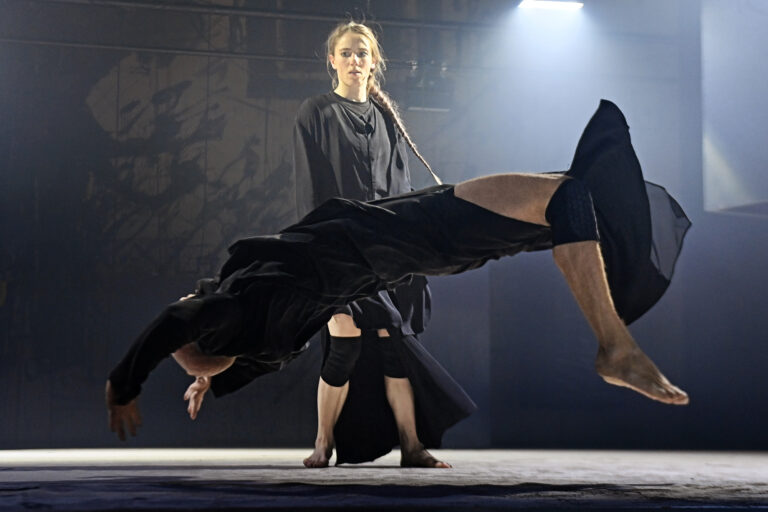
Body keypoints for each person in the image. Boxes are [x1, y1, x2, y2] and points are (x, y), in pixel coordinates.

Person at [105, 100, 692, 448]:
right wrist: (126, 382)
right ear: (209, 332)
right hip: (411, 231)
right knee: (569, 197)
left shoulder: (273, 331)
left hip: (416, 250)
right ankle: (615, 345)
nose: (191, 294)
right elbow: (177, 319)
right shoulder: (235, 306)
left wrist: (217, 375)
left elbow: (254, 356)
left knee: (568, 205)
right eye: (199, 316)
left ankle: (618, 325)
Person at [291, 20, 472, 469]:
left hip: (387, 251)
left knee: (393, 344)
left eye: (363, 54)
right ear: (332, 60)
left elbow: (401, 187)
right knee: (345, 343)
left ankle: (411, 446)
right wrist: (317, 248)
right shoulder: (315, 112)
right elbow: (308, 189)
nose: (355, 61)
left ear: (375, 63)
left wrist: (412, 247)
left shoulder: (387, 119)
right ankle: (322, 443)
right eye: (347, 53)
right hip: (338, 248)